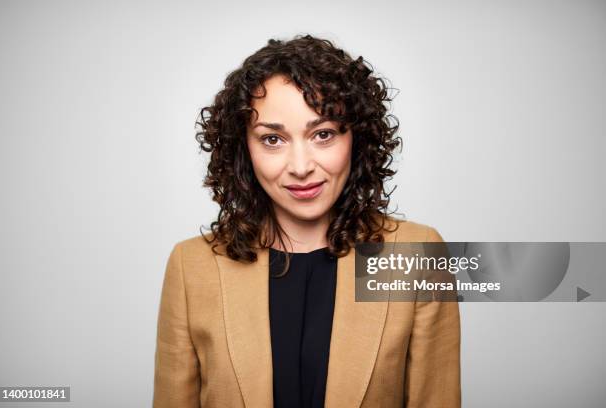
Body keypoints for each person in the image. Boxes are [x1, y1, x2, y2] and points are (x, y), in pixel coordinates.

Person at [153, 34, 460, 408]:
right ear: (242, 147)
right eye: (272, 140)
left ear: (356, 138)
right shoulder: (191, 266)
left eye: (323, 134)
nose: (301, 167)